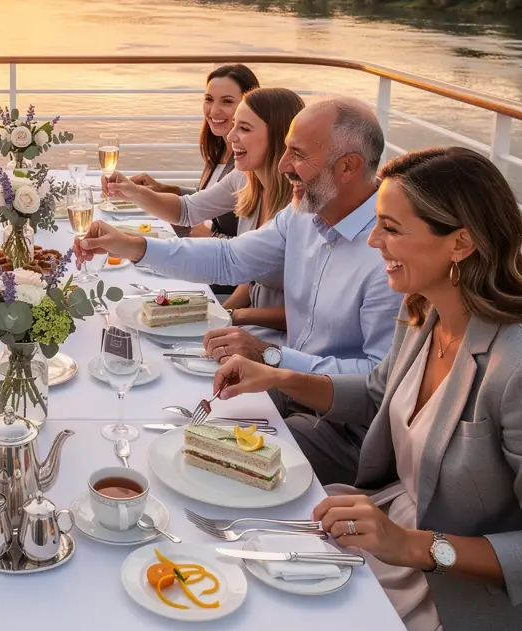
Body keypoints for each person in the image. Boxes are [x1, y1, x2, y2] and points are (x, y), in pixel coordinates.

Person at [212, 147, 522, 631]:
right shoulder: (423, 308)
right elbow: (379, 395)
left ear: (461, 242)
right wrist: (275, 376)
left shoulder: (517, 365)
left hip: (457, 590)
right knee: (242, 564)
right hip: (380, 520)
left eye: (390, 228)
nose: (374, 241)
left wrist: (415, 546)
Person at [75, 95, 404, 485]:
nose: (283, 168)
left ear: (348, 167)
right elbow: (229, 259)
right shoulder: (302, 215)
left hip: (342, 430)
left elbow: (378, 381)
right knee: (170, 407)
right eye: (285, 152)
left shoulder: (389, 252)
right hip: (286, 388)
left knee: (198, 461)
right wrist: (133, 245)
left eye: (297, 155)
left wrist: (274, 357)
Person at [105, 86, 304, 344]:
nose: (231, 136)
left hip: (280, 340)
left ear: (279, 137)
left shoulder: (301, 208)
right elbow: (187, 210)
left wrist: (231, 315)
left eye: (244, 128)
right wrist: (132, 192)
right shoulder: (245, 180)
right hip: (247, 323)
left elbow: (307, 315)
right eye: (234, 126)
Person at [123, 63, 259, 241]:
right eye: (209, 99)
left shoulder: (248, 164)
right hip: (199, 244)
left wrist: (214, 237)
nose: (214, 110)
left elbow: (257, 244)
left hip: (217, 256)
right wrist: (165, 189)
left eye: (227, 101)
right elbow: (209, 197)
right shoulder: (219, 150)